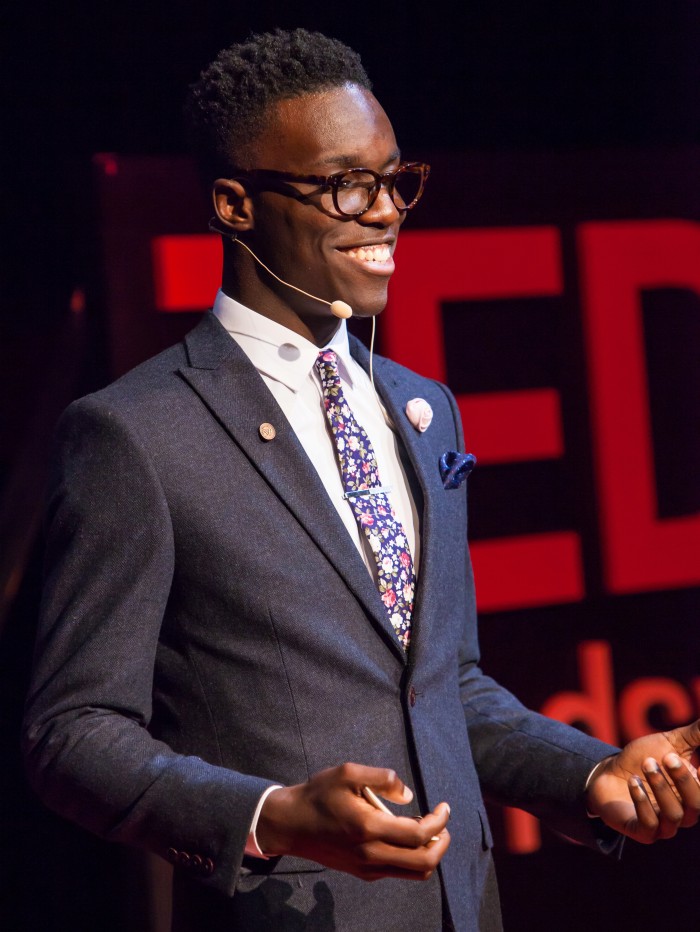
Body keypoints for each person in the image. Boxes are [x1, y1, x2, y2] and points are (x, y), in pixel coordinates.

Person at [23, 28, 700, 932]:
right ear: (235, 205)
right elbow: (72, 736)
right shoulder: (135, 435)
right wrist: (271, 816)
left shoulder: (423, 410)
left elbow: (443, 687)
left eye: (393, 181)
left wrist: (590, 772)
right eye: (347, 185)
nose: (383, 212)